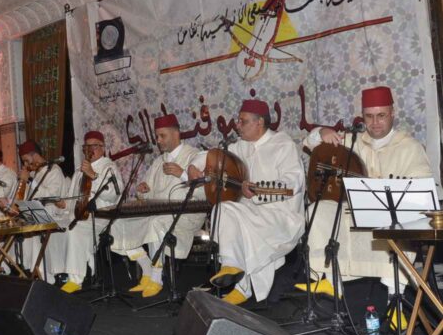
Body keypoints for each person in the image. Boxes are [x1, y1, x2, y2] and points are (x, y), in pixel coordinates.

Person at [303, 85, 433, 292]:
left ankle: (394, 295)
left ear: (392, 113)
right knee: (317, 210)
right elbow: (309, 142)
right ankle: (329, 280)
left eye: (381, 115)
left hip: (391, 215)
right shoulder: (353, 140)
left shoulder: (410, 147)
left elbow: (422, 192)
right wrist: (323, 132)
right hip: (352, 213)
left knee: (402, 222)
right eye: (369, 116)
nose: (375, 122)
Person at [189, 99, 305, 305]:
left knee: (235, 218)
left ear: (259, 122)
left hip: (280, 216)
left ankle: (241, 284)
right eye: (238, 121)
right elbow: (210, 155)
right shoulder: (240, 146)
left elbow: (292, 183)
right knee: (221, 208)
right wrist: (192, 166)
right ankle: (234, 271)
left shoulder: (283, 144)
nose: (237, 125)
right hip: (249, 213)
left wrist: (257, 190)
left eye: (243, 121)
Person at [111, 113, 205, 298]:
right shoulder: (158, 161)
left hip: (187, 214)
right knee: (118, 224)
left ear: (176, 134)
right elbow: (147, 191)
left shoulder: (194, 156)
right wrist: (143, 190)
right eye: (156, 136)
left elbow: (204, 190)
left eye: (162, 135)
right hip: (159, 211)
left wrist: (182, 174)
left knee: (156, 223)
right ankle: (147, 270)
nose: (158, 140)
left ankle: (156, 278)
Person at [51, 131, 123, 293]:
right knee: (53, 228)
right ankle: (56, 273)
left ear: (103, 148)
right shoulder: (79, 170)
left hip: (101, 216)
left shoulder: (109, 167)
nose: (90, 149)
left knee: (75, 230)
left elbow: (114, 194)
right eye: (87, 146)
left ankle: (75, 279)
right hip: (79, 215)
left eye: (94, 146)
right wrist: (63, 204)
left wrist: (93, 175)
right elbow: (73, 198)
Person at [14, 139, 66, 278]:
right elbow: (27, 197)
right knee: (20, 224)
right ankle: (29, 270)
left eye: (26, 160)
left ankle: (42, 273)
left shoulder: (54, 170)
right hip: (37, 213)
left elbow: (52, 196)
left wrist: (30, 181)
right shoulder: (36, 173)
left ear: (35, 155)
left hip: (53, 213)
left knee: (32, 228)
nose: (25, 165)